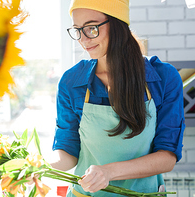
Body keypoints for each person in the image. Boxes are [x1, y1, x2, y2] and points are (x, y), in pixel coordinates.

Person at [50, 0, 185, 196]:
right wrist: (35, 167)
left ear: (117, 23)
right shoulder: (72, 82)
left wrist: (108, 172)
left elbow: (167, 157)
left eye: (91, 28)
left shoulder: (163, 78)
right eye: (77, 30)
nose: (83, 39)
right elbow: (68, 150)